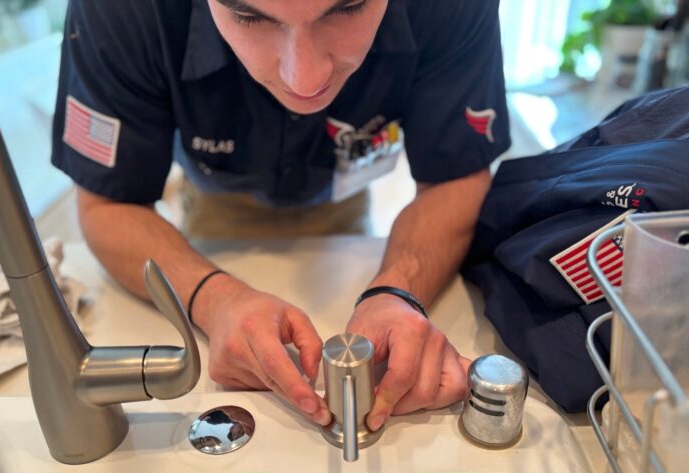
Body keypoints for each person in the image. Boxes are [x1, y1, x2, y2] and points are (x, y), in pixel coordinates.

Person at [51, 0, 511, 431]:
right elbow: (109, 204)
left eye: (348, 6)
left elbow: (456, 177)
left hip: (342, 197)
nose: (305, 80)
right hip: (214, 205)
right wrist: (215, 300)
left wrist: (399, 289)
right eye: (249, 16)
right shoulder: (120, 11)